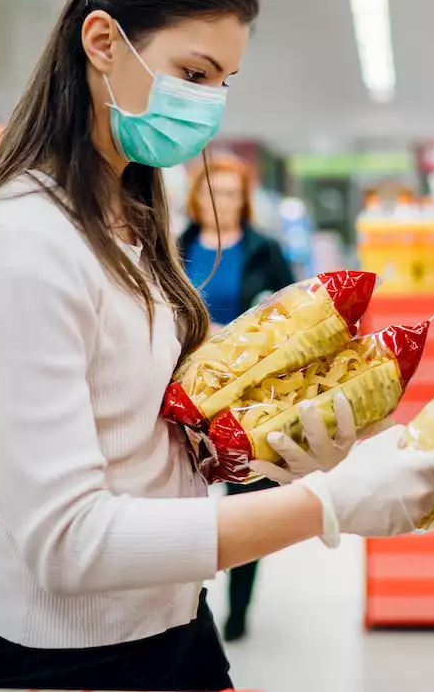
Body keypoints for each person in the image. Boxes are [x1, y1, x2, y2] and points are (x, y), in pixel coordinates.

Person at [0, 0, 434, 692]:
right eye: (194, 71)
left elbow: (136, 436)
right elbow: (70, 542)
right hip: (65, 664)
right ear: (103, 42)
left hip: (173, 631)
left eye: (223, 82)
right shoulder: (23, 244)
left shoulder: (124, 216)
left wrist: (264, 445)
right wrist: (327, 503)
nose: (210, 107)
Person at [178, 155, 293, 643]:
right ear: (195, 198)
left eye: (229, 193)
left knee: (246, 500)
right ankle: (189, 601)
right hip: (186, 394)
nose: (219, 201)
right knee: (185, 500)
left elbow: (293, 313)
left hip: (249, 396)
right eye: (211, 191)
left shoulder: (266, 250)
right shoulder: (174, 245)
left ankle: (239, 609)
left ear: (242, 200)